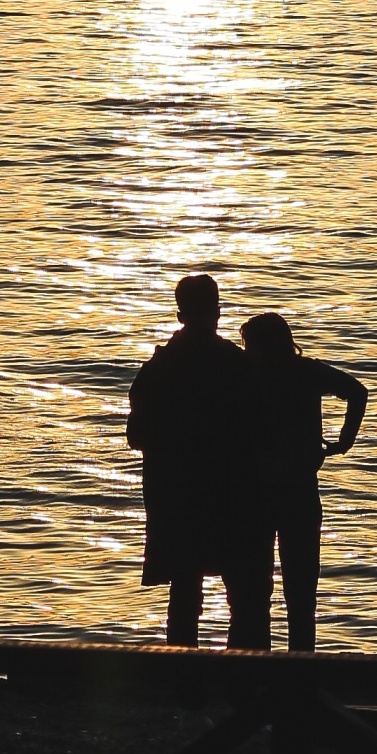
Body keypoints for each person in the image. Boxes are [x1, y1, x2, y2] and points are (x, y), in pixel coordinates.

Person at [127, 273, 270, 649]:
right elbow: (259, 429)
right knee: (243, 594)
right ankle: (242, 679)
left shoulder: (158, 369)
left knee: (185, 591)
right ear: (217, 311)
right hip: (231, 491)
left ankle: (183, 679)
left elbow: (136, 436)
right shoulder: (235, 365)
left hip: (177, 493)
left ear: (179, 315)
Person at [239, 312, 367, 653]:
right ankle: (301, 672)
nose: (246, 350)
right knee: (301, 595)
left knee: (256, 595)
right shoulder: (307, 372)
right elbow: (357, 392)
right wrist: (344, 440)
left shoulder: (249, 375)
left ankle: (260, 671)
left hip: (259, 493)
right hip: (300, 490)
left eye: (249, 344)